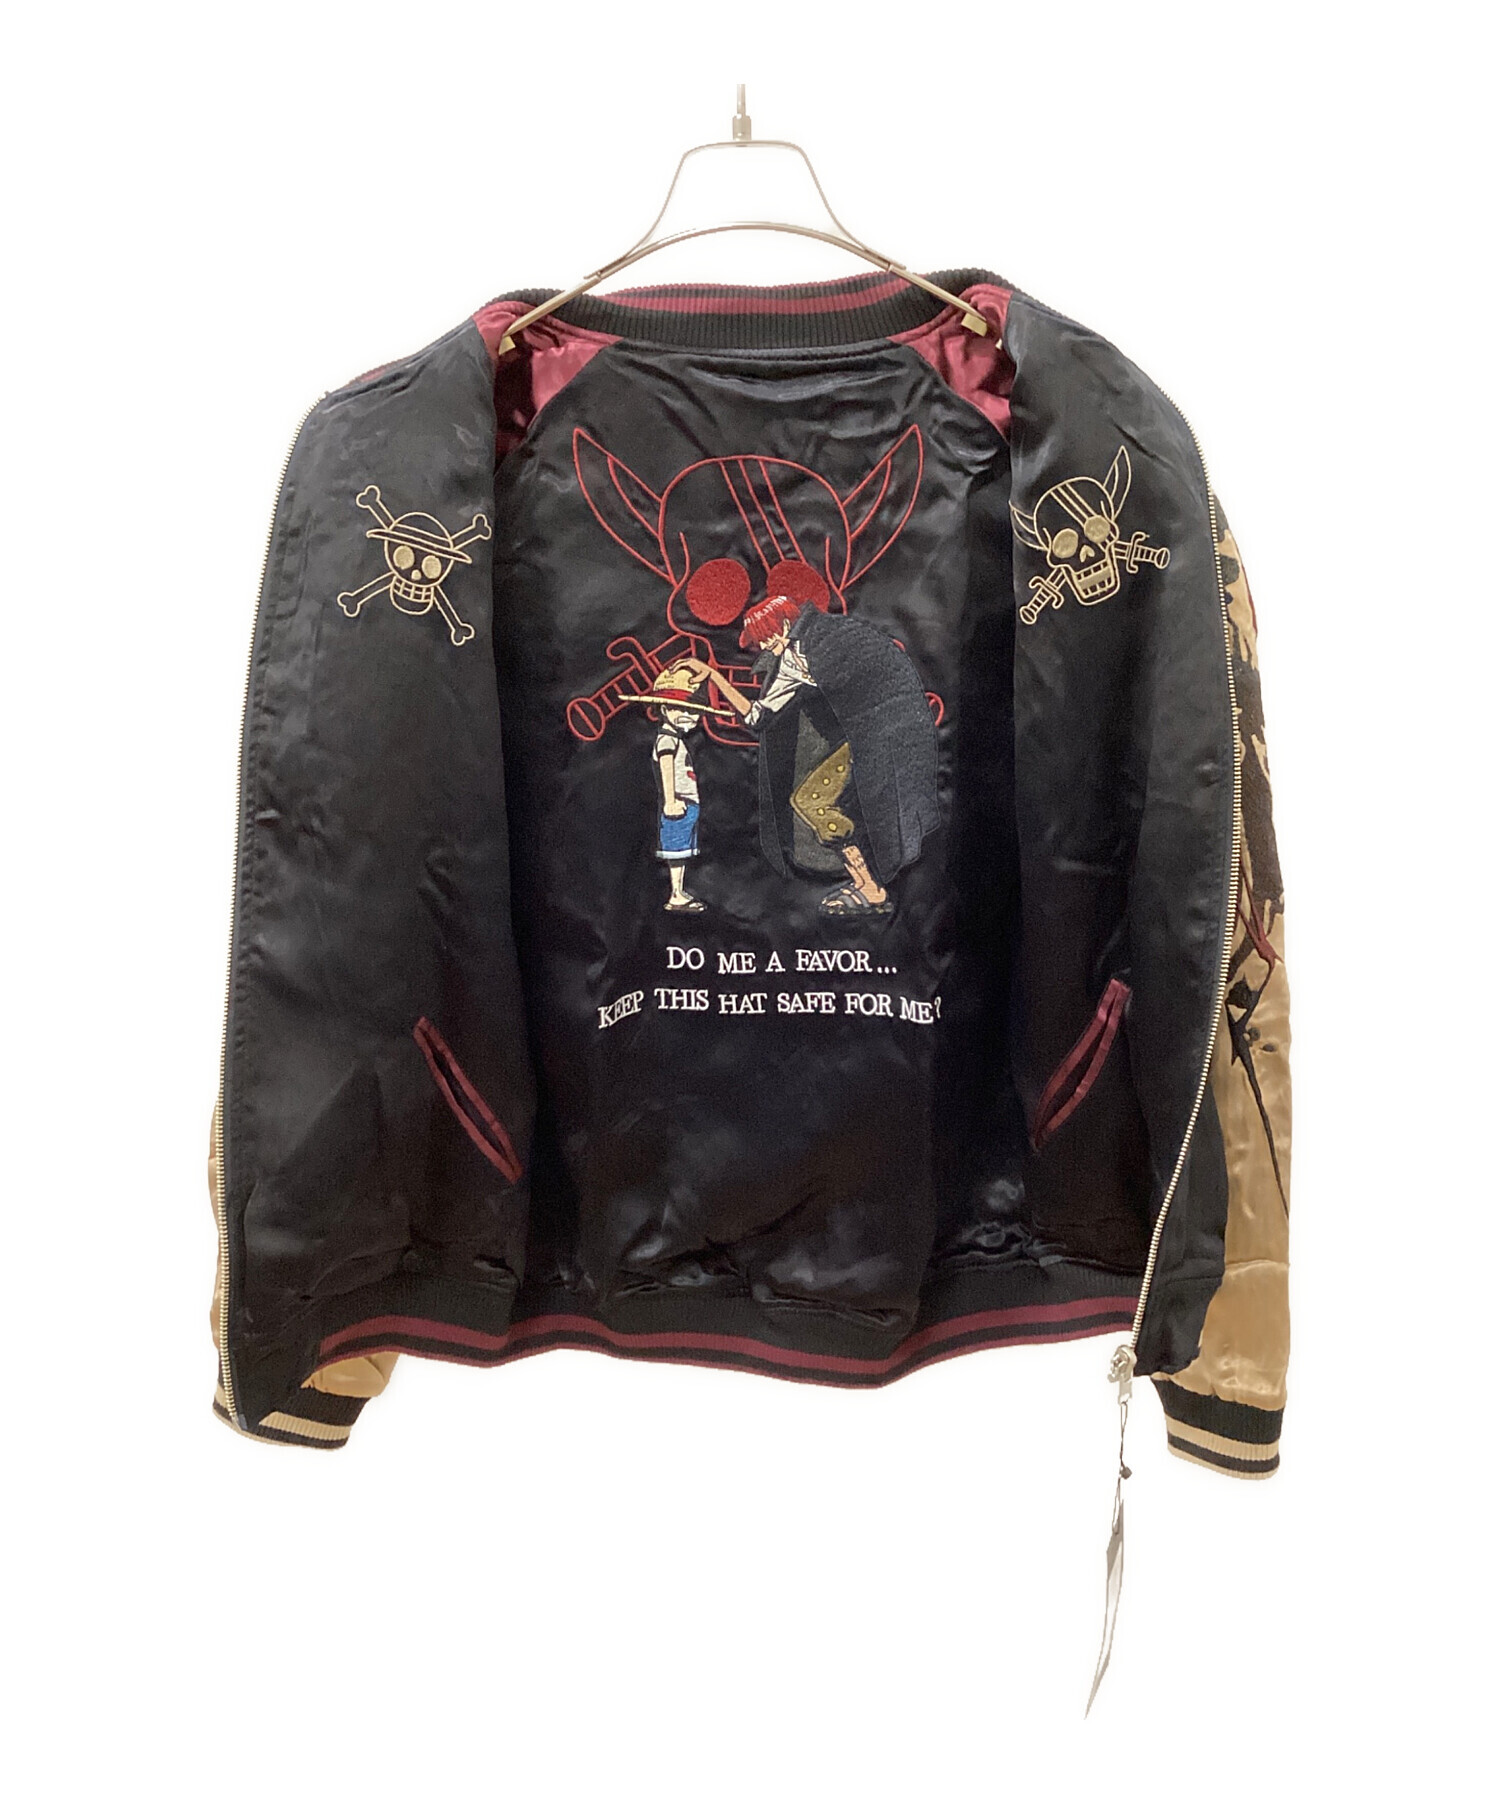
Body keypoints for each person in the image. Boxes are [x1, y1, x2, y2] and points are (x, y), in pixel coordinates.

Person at [681, 595, 939, 918]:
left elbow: (878, 674)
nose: (763, 647)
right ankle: (867, 885)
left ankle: (871, 888)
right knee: (813, 801)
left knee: (833, 803)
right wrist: (713, 676)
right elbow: (758, 716)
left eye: (765, 638)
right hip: (858, 738)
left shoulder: (831, 636)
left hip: (887, 732)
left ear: (784, 626)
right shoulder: (790, 660)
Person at [621, 663, 732, 913]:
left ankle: (678, 891)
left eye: (694, 712)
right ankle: (676, 894)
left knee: (682, 850)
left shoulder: (674, 739)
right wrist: (670, 801)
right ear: (664, 709)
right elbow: (666, 768)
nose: (689, 717)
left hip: (686, 803)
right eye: (682, 709)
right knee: (676, 851)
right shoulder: (667, 740)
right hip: (678, 804)